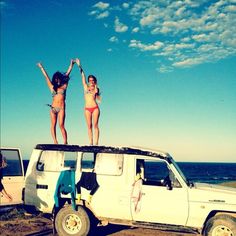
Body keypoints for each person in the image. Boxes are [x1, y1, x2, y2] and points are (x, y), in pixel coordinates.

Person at [37, 60, 75, 144]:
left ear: (60, 79)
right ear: (54, 79)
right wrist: (41, 67)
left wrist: (71, 65)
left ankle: (65, 142)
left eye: (58, 78)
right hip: (53, 108)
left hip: (61, 108)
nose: (57, 80)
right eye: (56, 79)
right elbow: (46, 76)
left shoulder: (64, 86)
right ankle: (55, 141)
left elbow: (67, 74)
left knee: (61, 125)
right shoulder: (52, 87)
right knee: (53, 125)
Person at [75, 58, 101, 145]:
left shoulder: (96, 89)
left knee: (95, 125)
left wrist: (95, 85)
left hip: (95, 108)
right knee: (89, 126)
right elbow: (82, 76)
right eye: (89, 80)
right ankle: (91, 142)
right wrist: (79, 65)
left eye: (92, 80)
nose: (91, 82)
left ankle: (96, 142)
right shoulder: (85, 87)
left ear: (94, 81)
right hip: (87, 108)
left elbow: (97, 93)